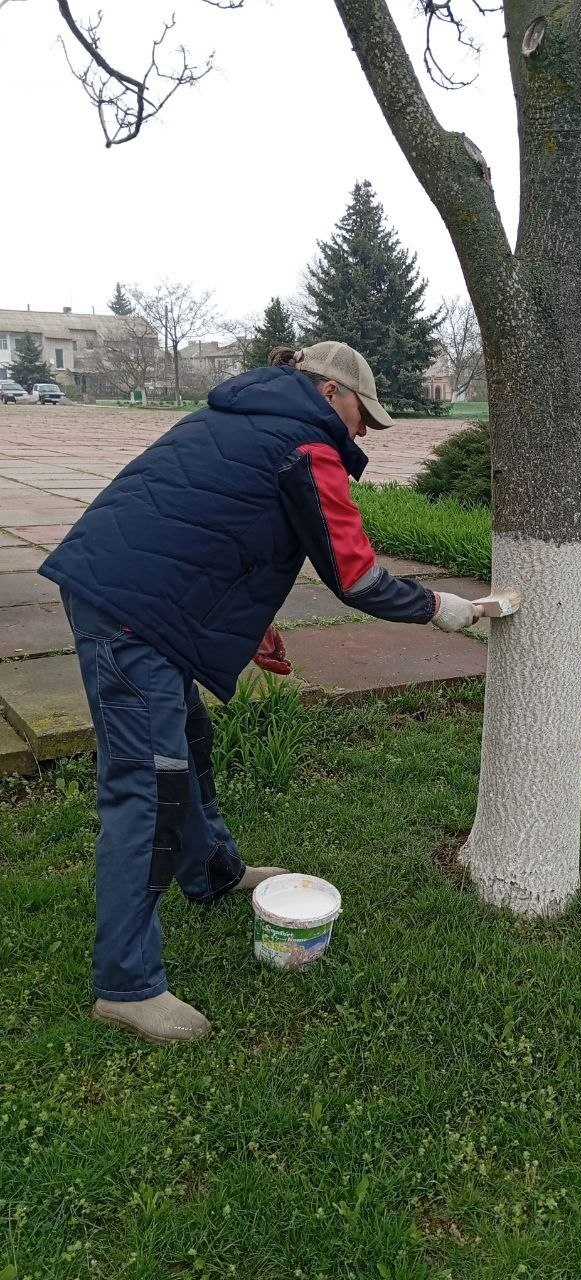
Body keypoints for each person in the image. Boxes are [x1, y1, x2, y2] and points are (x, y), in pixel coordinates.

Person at [39, 341, 483, 1044]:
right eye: (363, 415)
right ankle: (126, 985)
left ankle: (212, 873)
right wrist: (444, 609)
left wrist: (250, 626)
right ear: (329, 392)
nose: (363, 431)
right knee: (149, 790)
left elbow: (213, 528)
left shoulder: (245, 416)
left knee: (187, 742)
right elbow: (356, 576)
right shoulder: (304, 443)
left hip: (135, 591)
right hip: (131, 612)